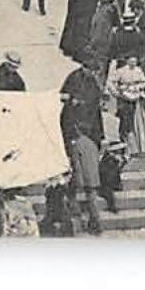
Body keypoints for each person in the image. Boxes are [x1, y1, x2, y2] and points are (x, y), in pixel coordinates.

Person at [59, 62, 107, 235]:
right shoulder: (74, 79)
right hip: (76, 136)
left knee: (90, 185)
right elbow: (64, 105)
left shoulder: (93, 82)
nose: (92, 71)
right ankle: (78, 218)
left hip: (89, 137)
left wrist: (99, 138)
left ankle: (93, 221)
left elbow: (96, 113)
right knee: (76, 181)